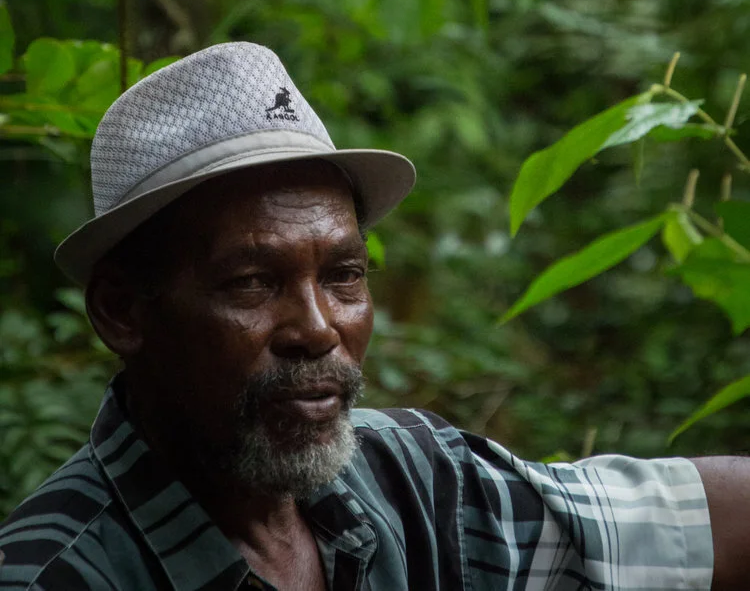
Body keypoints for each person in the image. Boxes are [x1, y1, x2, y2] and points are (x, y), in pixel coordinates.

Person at [0, 42, 746, 591]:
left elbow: (675, 523)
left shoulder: (409, 480)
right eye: (254, 282)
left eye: (345, 275)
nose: (319, 329)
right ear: (123, 312)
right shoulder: (59, 576)